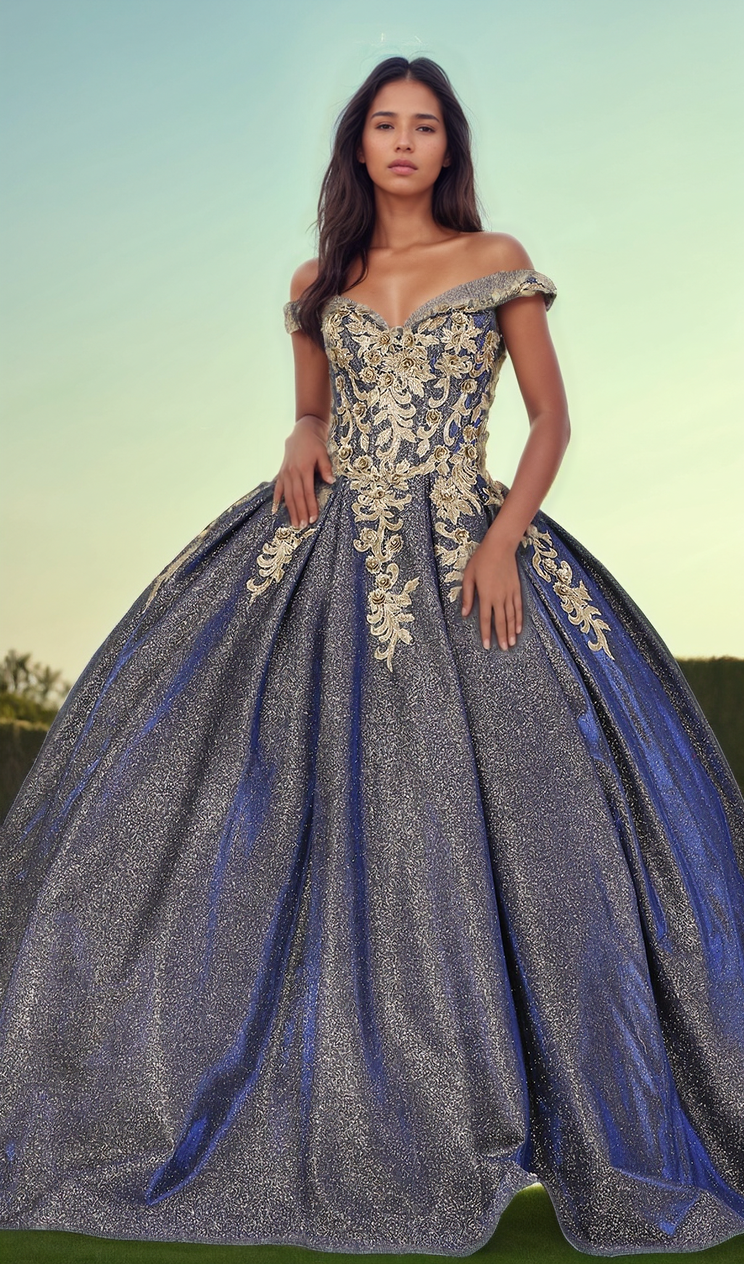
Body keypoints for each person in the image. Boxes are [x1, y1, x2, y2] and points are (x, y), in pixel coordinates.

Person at [0, 53, 743, 1260]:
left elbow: (552, 418)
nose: (405, 142)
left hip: (473, 552)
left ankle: (572, 1112)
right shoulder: (318, 282)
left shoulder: (496, 258)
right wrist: (304, 426)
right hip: (328, 555)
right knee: (270, 803)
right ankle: (326, 1110)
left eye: (426, 125)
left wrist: (504, 538)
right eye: (385, 124)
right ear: (358, 146)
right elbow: (312, 405)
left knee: (543, 821)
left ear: (449, 147)